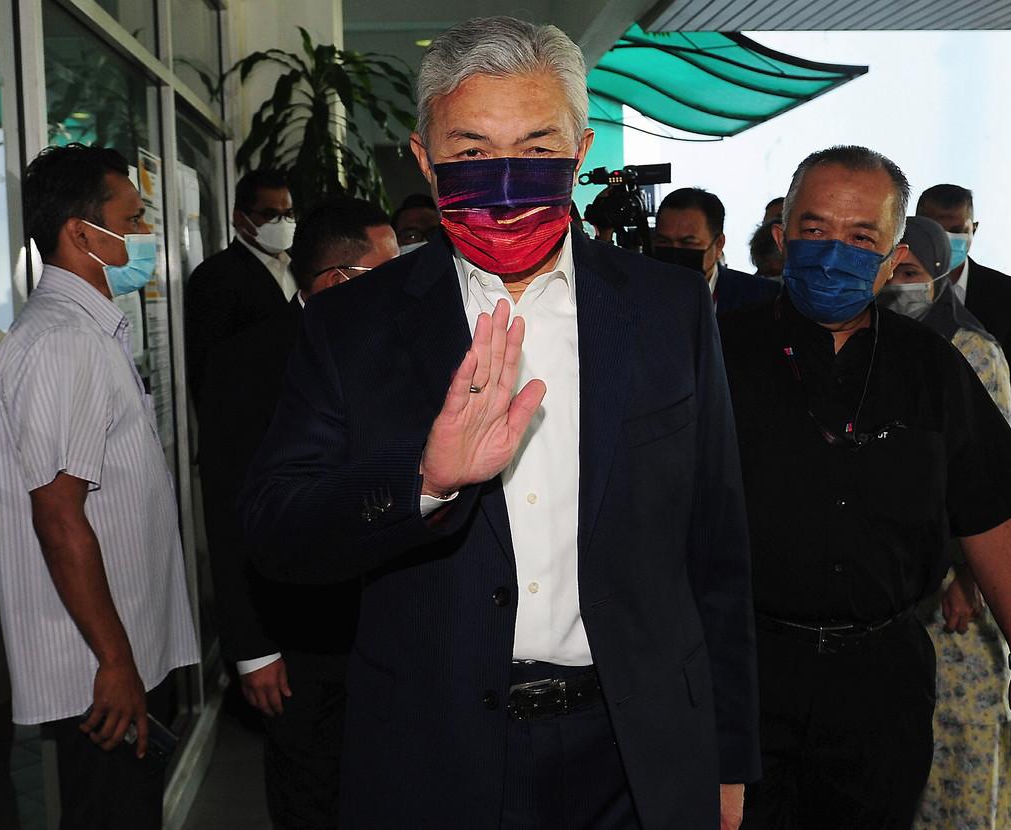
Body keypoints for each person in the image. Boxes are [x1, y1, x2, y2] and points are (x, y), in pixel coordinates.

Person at [241, 16, 759, 830]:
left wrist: (728, 758)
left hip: (638, 750)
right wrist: (423, 485)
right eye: (474, 152)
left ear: (582, 150)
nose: (508, 178)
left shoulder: (669, 309)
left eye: (537, 145)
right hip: (435, 755)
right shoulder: (352, 326)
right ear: (424, 157)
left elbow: (717, 552)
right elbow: (274, 528)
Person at [719, 145, 1011, 829]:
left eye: (860, 237)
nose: (833, 252)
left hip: (883, 680)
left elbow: (990, 515)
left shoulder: (934, 368)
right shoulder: (712, 353)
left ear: (892, 253)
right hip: (745, 670)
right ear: (781, 239)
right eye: (814, 231)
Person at [0, 144, 199, 829]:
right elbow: (58, 516)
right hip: (100, 672)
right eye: (132, 219)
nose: (145, 235)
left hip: (122, 653)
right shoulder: (62, 342)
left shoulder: (90, 331)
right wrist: (114, 660)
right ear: (80, 233)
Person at [199, 196, 396, 829]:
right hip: (299, 639)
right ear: (339, 280)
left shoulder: (396, 349)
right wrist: (252, 649)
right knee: (311, 795)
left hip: (390, 626)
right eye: (386, 269)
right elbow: (228, 512)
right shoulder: (248, 363)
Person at [878, 216, 1011, 829]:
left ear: (941, 275)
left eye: (912, 274)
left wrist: (969, 579)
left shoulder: (972, 351)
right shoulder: (872, 343)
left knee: (960, 749)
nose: (899, 286)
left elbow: (991, 487)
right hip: (893, 598)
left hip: (957, 602)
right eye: (893, 270)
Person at [916, 184, 1011, 476]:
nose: (949, 239)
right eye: (937, 228)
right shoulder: (894, 287)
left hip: (988, 458)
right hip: (917, 455)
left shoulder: (1006, 294)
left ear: (973, 228)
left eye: (957, 229)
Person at [184, 169, 295, 408]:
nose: (282, 223)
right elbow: (208, 370)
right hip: (250, 426)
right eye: (270, 214)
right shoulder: (216, 276)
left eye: (288, 214)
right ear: (240, 217)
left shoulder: (300, 267)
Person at [653, 186, 779, 314]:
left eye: (688, 243)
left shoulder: (762, 297)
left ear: (719, 244)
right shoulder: (638, 293)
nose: (675, 251)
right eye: (664, 241)